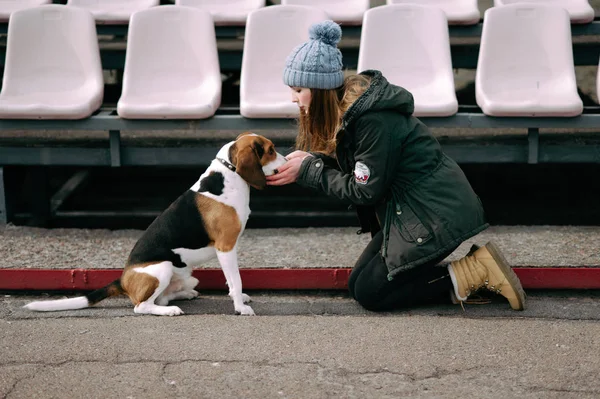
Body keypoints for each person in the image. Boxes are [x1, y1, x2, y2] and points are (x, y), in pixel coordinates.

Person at [266, 20, 526, 311]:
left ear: (323, 89)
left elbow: (365, 190)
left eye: (299, 89)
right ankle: (469, 273)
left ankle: (478, 271)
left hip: (435, 214)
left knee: (370, 294)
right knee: (358, 283)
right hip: (412, 212)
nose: (293, 98)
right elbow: (363, 165)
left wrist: (311, 173)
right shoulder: (351, 116)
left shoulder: (371, 121)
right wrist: (315, 160)